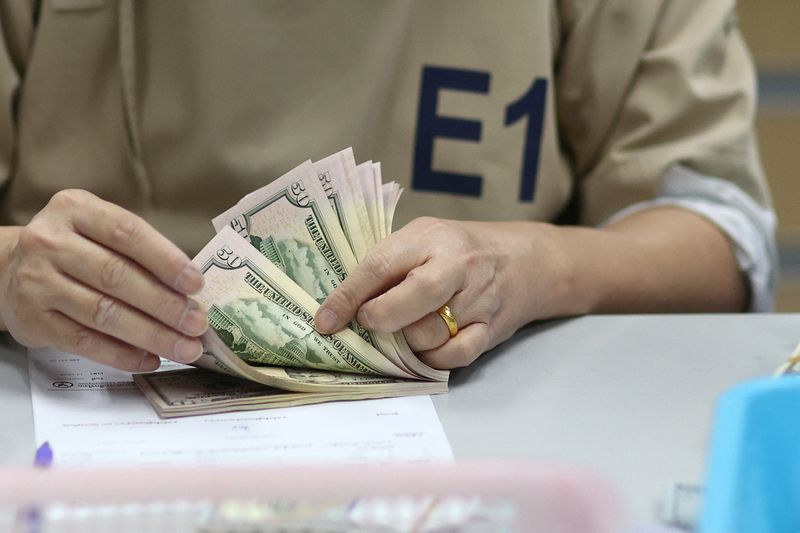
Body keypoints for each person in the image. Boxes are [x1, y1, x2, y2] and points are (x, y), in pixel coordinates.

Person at [0, 1, 776, 372]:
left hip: (488, 413)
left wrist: (529, 265)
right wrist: (10, 270)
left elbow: (719, 234)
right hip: (79, 411)